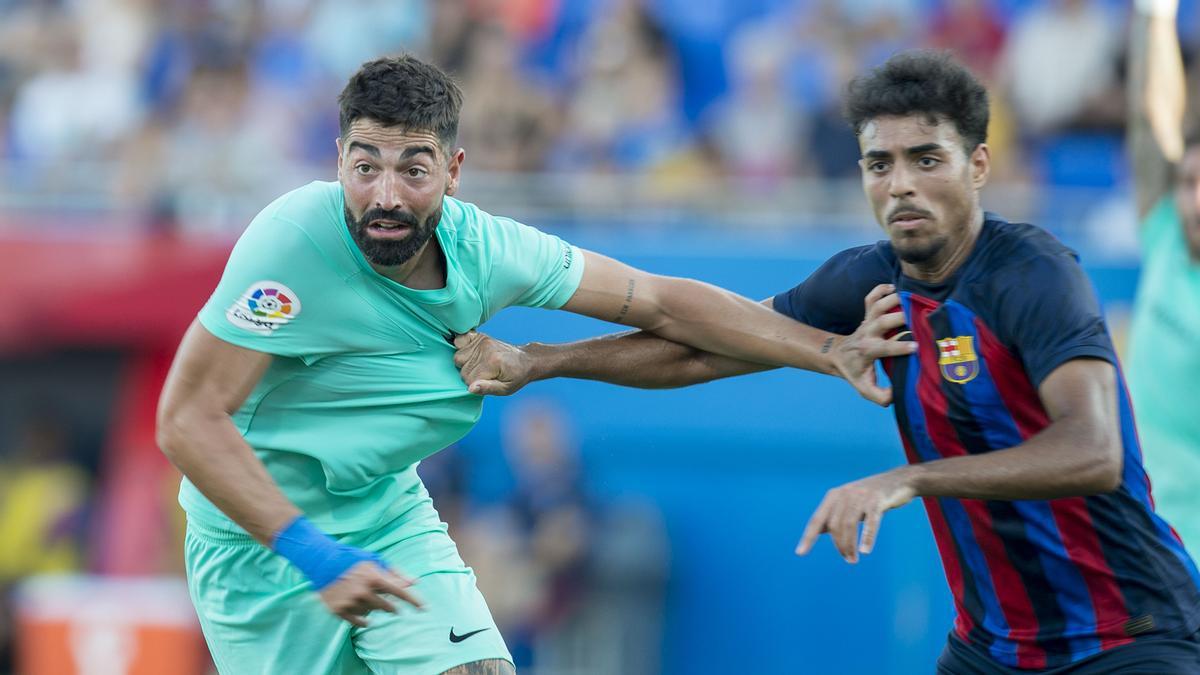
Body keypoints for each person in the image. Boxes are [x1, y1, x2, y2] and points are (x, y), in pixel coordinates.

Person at [155, 54, 911, 675]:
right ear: (339, 162)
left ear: (453, 170)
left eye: (412, 169)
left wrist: (825, 350)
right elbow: (188, 419)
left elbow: (661, 302)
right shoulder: (290, 246)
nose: (385, 194)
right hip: (259, 543)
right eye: (365, 166)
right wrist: (313, 552)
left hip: (387, 514)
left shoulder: (492, 251)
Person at [452, 51, 1200, 673]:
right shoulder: (866, 280)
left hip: (1128, 633)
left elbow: (1094, 450)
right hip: (994, 648)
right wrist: (544, 361)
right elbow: (701, 350)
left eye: (925, 159)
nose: (899, 183)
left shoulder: (1034, 273)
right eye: (879, 163)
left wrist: (906, 478)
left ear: (978, 165)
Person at [1126, 0, 1200, 556]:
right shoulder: (1168, 237)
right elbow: (1153, 126)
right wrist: (1156, 14)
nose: (1195, 201)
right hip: (1144, 545)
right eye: (1189, 182)